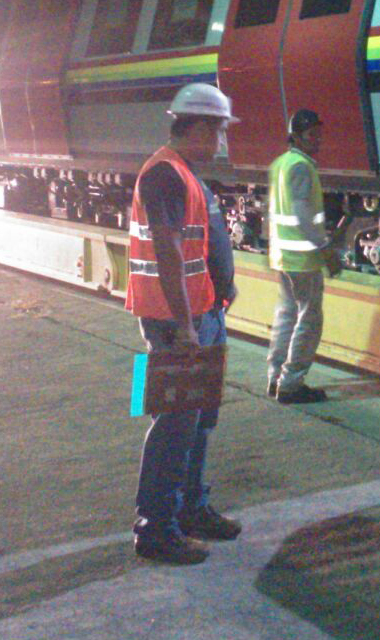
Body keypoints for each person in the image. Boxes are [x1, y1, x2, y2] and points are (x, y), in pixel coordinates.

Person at [127, 82, 242, 564]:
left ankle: (191, 509)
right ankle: (154, 528)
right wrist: (184, 324)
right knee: (171, 424)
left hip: (203, 313)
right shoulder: (163, 175)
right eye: (216, 129)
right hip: (172, 322)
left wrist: (218, 294)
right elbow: (168, 251)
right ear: (193, 126)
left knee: (197, 422)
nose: (220, 139)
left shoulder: (185, 174)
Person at [266, 108, 342, 404]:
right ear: (296, 137)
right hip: (302, 259)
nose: (318, 140)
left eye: (319, 134)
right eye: (312, 135)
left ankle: (275, 378)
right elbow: (302, 213)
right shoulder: (301, 167)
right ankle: (292, 383)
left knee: (286, 316)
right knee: (309, 319)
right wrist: (324, 248)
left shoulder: (281, 164)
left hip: (283, 256)